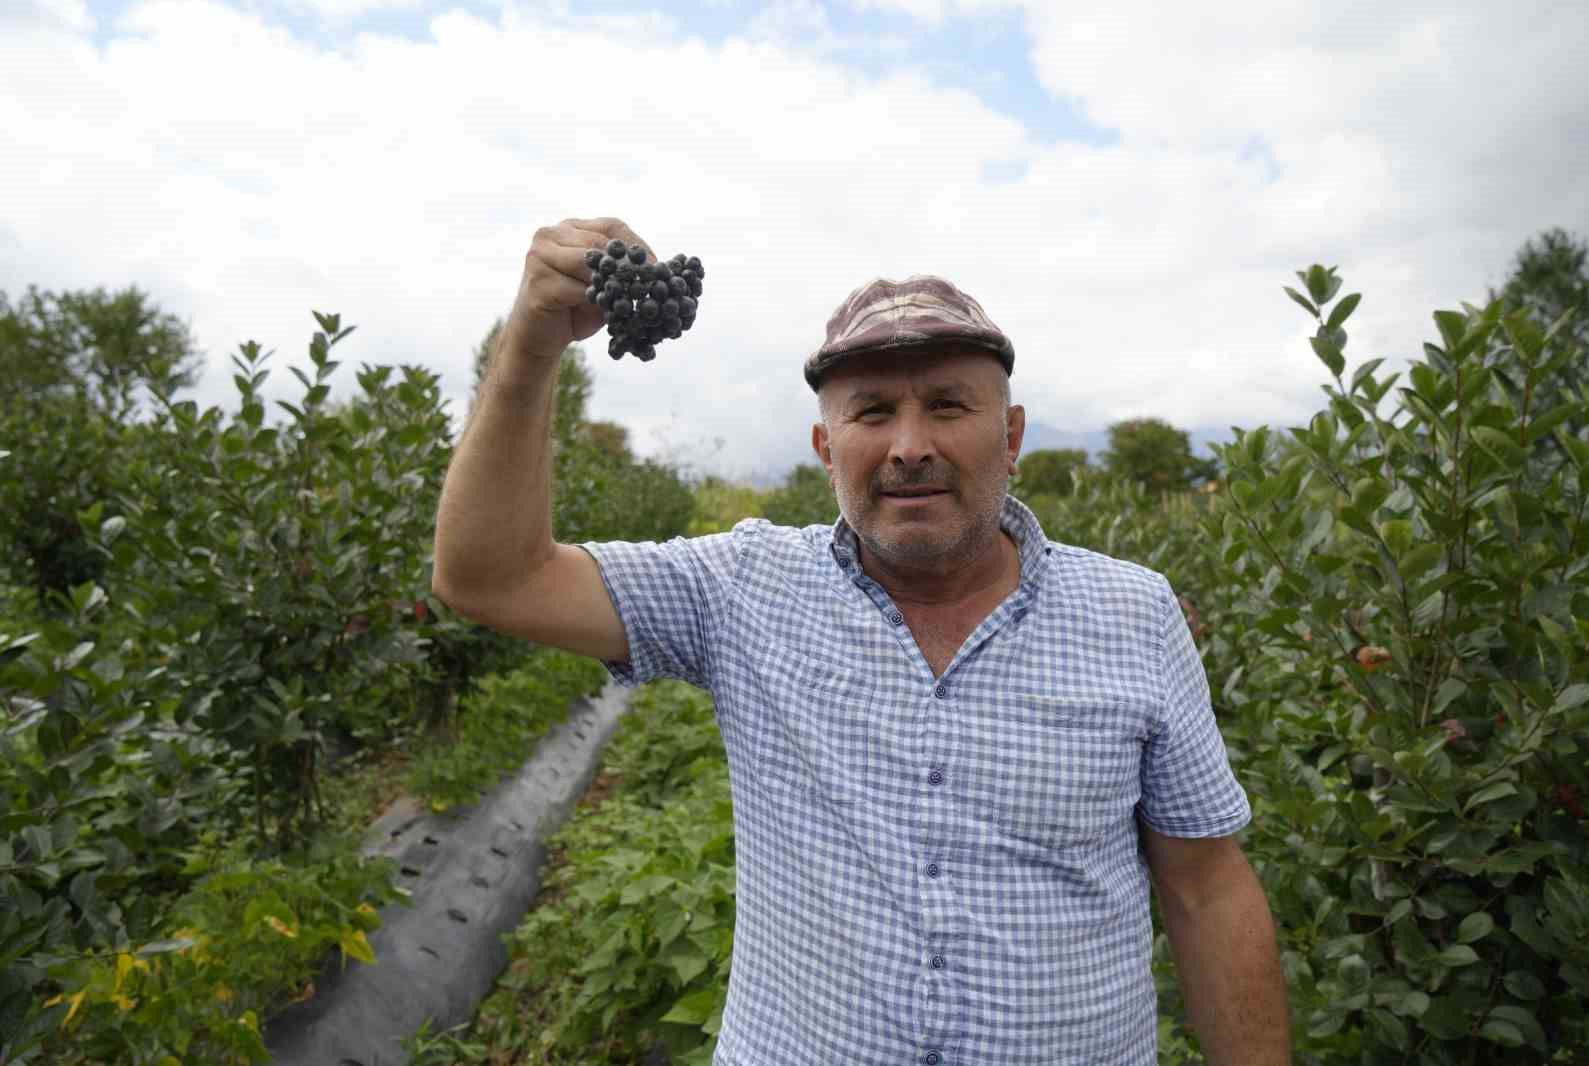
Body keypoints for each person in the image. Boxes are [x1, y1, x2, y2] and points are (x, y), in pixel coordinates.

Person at [432, 217, 1292, 1066]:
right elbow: (490, 575)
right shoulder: (743, 588)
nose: (910, 446)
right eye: (872, 412)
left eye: (950, 405)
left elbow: (1206, 887)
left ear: (1013, 436)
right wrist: (533, 343)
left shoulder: (1132, 614)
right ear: (824, 449)